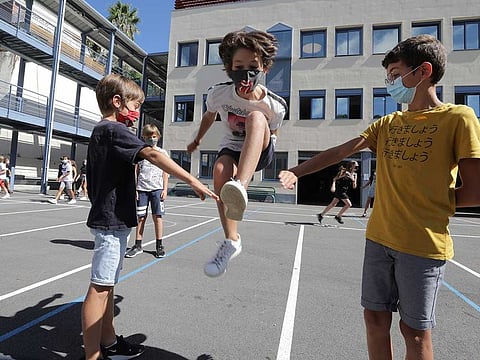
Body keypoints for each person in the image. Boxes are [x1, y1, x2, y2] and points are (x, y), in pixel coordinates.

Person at [278, 35, 480, 360]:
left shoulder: (458, 118)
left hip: (423, 247)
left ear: (423, 71)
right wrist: (296, 172)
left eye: (396, 73)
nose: (390, 82)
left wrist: (423, 202)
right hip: (378, 240)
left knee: (414, 333)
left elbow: (474, 191)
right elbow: (342, 151)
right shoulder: (387, 123)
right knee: (374, 320)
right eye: (388, 76)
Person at [82, 73, 218, 360]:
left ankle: (108, 341)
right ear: (117, 102)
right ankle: (92, 354)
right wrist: (193, 181)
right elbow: (154, 156)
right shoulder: (115, 131)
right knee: (100, 287)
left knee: (108, 286)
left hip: (113, 219)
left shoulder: (104, 132)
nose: (137, 113)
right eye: (134, 104)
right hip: (110, 221)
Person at [187, 30, 287, 277]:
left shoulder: (274, 105)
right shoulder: (219, 93)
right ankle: (231, 240)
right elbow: (209, 116)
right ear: (229, 68)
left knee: (255, 116)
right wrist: (198, 138)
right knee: (220, 172)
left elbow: (274, 132)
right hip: (231, 147)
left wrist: (266, 142)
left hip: (261, 147)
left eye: (253, 66)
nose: (246, 73)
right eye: (239, 66)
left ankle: (241, 184)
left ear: (264, 67)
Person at [125, 124, 169, 259]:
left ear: (158, 137)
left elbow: (166, 172)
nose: (152, 139)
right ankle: (138, 245)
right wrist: (135, 188)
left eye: (154, 136)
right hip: (142, 189)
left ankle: (159, 245)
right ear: (144, 137)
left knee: (157, 217)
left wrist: (165, 189)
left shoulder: (162, 153)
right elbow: (136, 171)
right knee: (141, 217)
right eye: (149, 137)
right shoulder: (141, 153)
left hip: (157, 189)